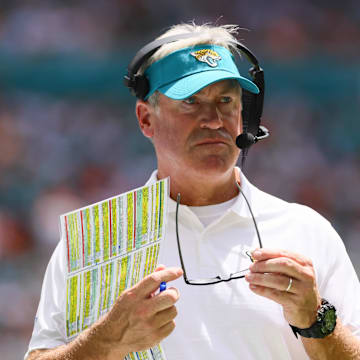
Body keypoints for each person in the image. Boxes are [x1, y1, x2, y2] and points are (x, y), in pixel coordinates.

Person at [25, 23, 360, 360]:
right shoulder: (95, 236)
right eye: (191, 101)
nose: (214, 120)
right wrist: (108, 339)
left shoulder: (306, 229)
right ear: (145, 119)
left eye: (226, 100)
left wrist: (315, 320)